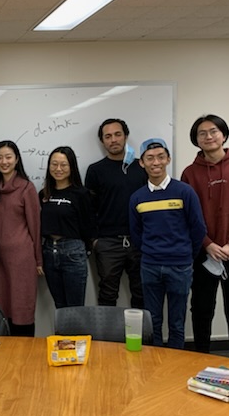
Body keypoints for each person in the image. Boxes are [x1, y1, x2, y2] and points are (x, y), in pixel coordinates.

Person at [181, 114, 229, 359]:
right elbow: (188, 216)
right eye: (202, 133)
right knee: (201, 310)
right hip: (204, 253)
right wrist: (208, 244)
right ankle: (200, 359)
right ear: (196, 140)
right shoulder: (189, 173)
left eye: (213, 131)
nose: (208, 136)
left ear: (223, 135)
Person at [129, 139, 205, 349]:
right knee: (152, 321)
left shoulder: (184, 192)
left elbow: (198, 229)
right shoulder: (137, 197)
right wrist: (149, 253)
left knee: (177, 323)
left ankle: (174, 367)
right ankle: (155, 366)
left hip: (180, 266)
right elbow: (136, 233)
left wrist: (187, 255)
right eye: (150, 158)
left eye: (161, 157)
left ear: (168, 159)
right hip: (150, 266)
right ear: (142, 163)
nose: (156, 162)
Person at [85, 118, 147, 308]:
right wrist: (95, 240)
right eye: (108, 136)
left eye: (117, 134)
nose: (113, 140)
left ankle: (143, 338)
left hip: (140, 241)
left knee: (142, 292)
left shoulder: (142, 167)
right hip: (108, 243)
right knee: (107, 295)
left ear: (126, 136)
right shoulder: (95, 170)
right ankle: (107, 339)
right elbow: (88, 209)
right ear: (102, 141)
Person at [0, 141, 43, 336]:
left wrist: (38, 259)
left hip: (22, 259)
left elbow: (35, 226)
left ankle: (25, 354)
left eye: (8, 157)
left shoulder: (26, 188)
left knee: (22, 308)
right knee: (3, 307)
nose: (4, 162)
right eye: (0, 157)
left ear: (17, 159)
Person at [41, 146, 96, 308]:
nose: (58, 169)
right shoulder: (43, 194)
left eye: (63, 165)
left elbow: (89, 226)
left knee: (75, 308)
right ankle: (60, 335)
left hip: (73, 251)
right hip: (49, 252)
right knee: (59, 306)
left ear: (72, 167)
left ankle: (76, 335)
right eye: (54, 164)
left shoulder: (81, 194)